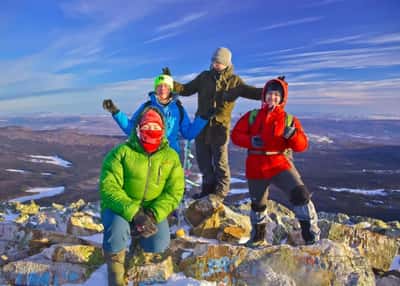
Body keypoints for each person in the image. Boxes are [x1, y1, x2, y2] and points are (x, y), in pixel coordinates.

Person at [231, 76, 320, 247]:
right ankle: (257, 239)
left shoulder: (289, 119)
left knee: (300, 195)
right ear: (264, 96)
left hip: (279, 162)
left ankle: (311, 236)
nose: (273, 98)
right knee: (258, 204)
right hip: (256, 165)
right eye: (270, 94)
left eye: (277, 95)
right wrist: (251, 141)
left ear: (282, 99)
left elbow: (302, 145)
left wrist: (292, 135)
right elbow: (236, 135)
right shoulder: (252, 116)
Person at [99, 106, 184, 286]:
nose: (151, 131)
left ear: (163, 129)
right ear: (138, 128)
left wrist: (153, 214)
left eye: (155, 127)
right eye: (147, 126)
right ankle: (116, 275)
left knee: (157, 244)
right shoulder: (121, 153)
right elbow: (109, 188)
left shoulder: (170, 156)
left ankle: (137, 241)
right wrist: (135, 214)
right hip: (121, 207)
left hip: (152, 209)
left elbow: (174, 191)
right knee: (116, 232)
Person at [163, 47, 262, 199]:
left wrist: (275, 89)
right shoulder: (204, 77)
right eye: (214, 61)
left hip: (219, 128)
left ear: (227, 63)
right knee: (203, 161)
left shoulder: (235, 81)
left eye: (219, 62)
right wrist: (170, 81)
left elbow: (253, 92)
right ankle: (207, 190)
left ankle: (220, 193)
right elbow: (186, 89)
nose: (215, 64)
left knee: (220, 162)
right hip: (201, 125)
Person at [103, 73, 209, 154]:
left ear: (171, 89)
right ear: (155, 89)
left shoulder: (178, 109)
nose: (162, 88)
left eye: (166, 86)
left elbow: (188, 134)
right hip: (148, 154)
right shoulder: (147, 107)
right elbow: (131, 130)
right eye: (159, 86)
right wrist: (115, 112)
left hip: (170, 156)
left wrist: (203, 118)